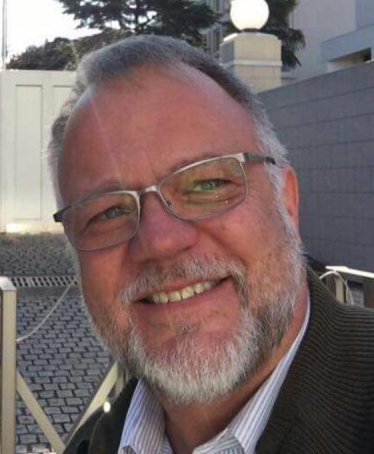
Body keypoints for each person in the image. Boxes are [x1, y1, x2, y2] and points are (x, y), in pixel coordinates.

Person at [49, 36, 374, 454]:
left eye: (207, 184)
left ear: (287, 204)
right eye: (108, 212)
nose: (160, 241)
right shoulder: (92, 444)